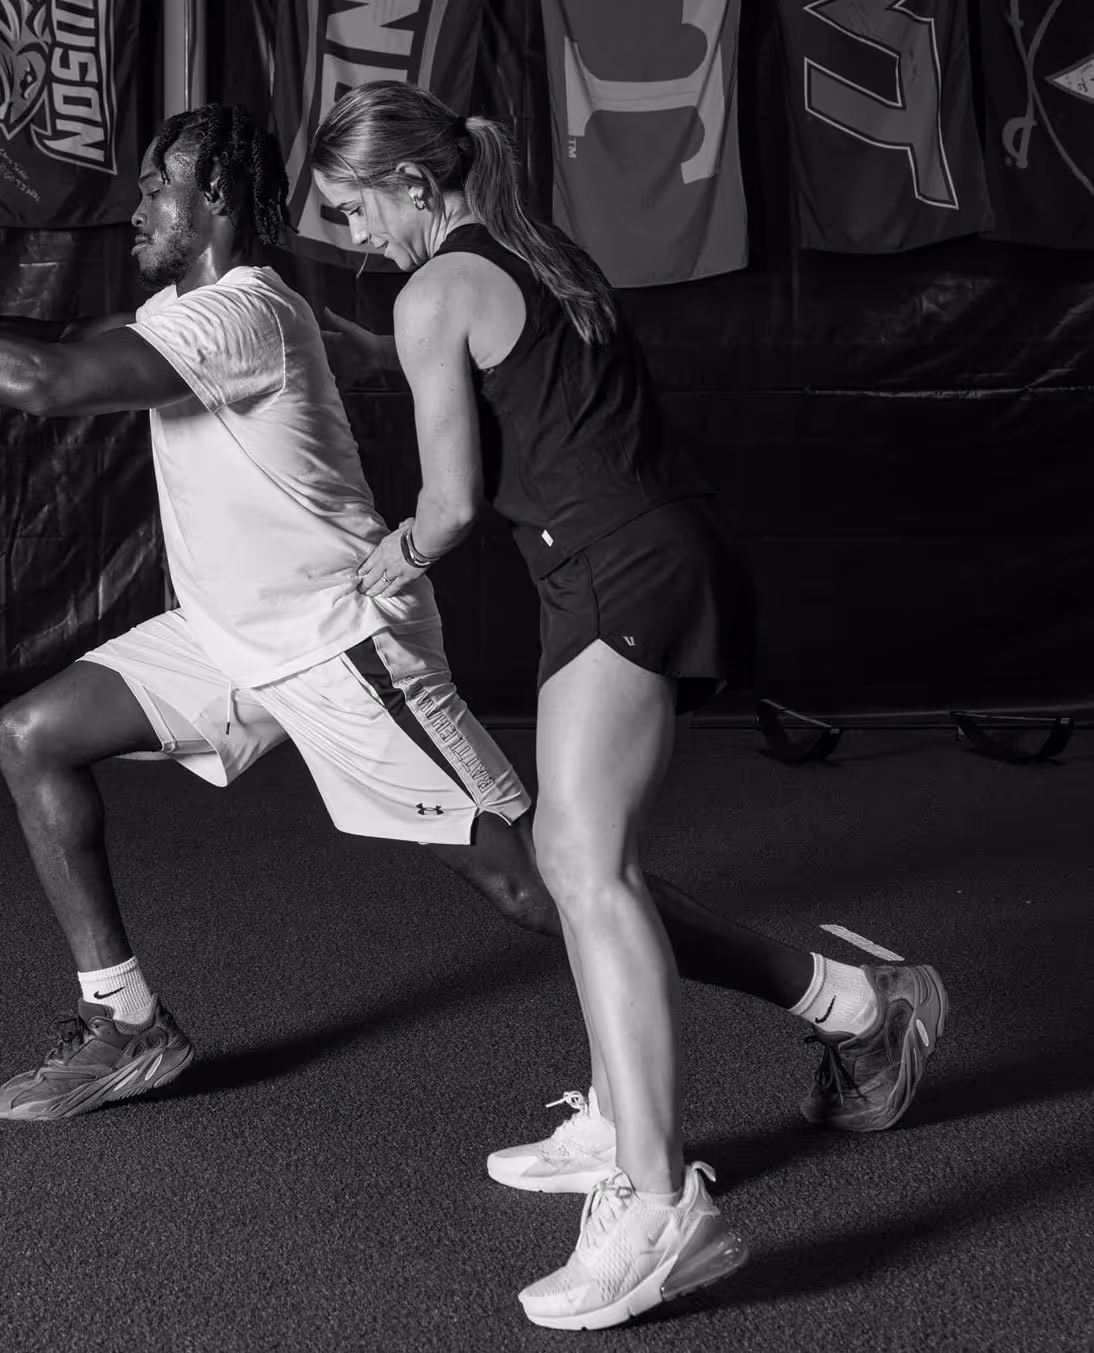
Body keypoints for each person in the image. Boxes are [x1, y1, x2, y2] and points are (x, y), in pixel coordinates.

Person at [0, 100, 947, 1324]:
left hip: (334, 641)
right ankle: (128, 1026)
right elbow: (51, 337)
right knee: (33, 731)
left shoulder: (247, 309)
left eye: (158, 189)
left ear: (216, 207)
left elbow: (47, 381)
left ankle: (840, 1007)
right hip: (229, 635)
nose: (137, 208)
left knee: (544, 886)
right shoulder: (203, 309)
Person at [305, 81, 950, 1328]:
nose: (352, 236)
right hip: (629, 553)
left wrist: (384, 563)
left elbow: (444, 506)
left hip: (614, 565)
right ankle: (620, 1125)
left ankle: (661, 1207)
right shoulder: (534, 249)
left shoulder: (433, 286)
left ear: (411, 185)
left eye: (350, 210)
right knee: (581, 854)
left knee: (582, 865)